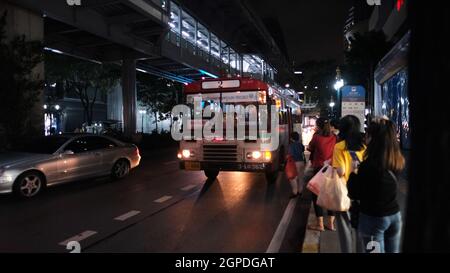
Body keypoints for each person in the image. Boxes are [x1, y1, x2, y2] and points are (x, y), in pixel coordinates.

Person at [348, 118, 405, 253]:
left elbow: (354, 193)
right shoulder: (396, 161)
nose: (365, 138)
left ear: (373, 139)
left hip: (373, 220)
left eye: (367, 135)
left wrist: (352, 172)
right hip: (394, 216)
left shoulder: (368, 166)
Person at [332, 115, 366, 253]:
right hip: (363, 193)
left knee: (345, 229)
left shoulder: (339, 147)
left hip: (344, 192)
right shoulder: (364, 146)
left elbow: (340, 172)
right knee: (361, 229)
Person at [307, 117, 337, 231]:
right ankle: (331, 224)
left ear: (318, 126)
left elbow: (310, 148)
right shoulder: (335, 137)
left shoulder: (317, 137)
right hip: (331, 169)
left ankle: (320, 224)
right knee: (330, 195)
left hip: (319, 168)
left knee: (316, 195)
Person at [288, 132, 306, 198]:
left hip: (294, 163)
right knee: (300, 177)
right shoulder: (300, 144)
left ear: (291, 138)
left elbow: (291, 154)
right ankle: (300, 191)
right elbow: (303, 150)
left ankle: (294, 192)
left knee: (293, 178)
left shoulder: (291, 145)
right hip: (301, 162)